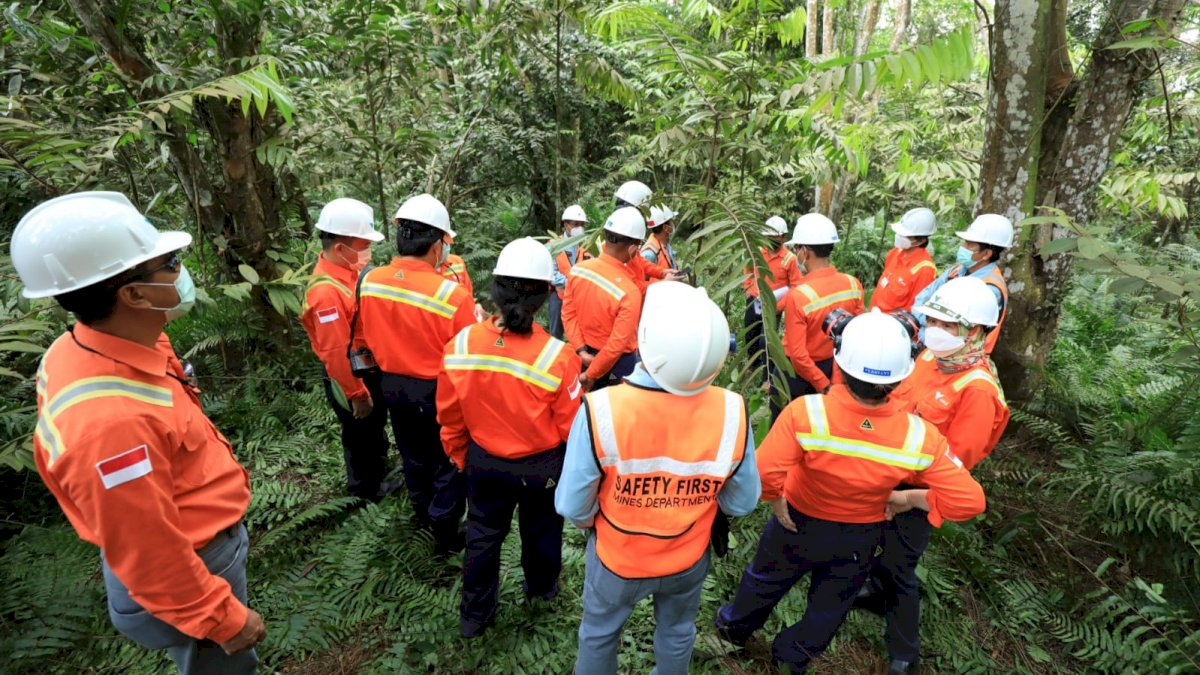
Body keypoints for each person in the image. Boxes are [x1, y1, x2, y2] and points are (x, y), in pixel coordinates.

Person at [13, 192, 265, 674]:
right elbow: (150, 553)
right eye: (170, 263)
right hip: (195, 565)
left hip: (193, 544)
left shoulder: (86, 347)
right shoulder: (110, 428)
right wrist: (224, 619)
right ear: (134, 294)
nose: (180, 271)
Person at [715, 310, 987, 675]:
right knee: (830, 605)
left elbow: (763, 473)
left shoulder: (805, 413)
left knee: (764, 580)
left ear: (840, 364)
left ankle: (731, 633)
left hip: (796, 521)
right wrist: (909, 499)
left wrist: (776, 499)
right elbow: (969, 501)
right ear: (900, 378)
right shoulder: (920, 436)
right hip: (858, 536)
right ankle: (792, 656)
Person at [556, 281, 762, 675]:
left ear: (645, 342)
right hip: (687, 558)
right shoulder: (733, 412)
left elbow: (571, 505)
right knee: (678, 631)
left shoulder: (602, 410)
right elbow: (741, 502)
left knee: (599, 635)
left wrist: (595, 522)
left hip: (618, 559)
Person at [854, 277, 1010, 674]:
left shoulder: (977, 390)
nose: (933, 330)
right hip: (886, 473)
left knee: (900, 568)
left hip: (917, 495)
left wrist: (906, 499)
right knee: (874, 544)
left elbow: (956, 469)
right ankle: (871, 589)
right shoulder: (929, 358)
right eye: (932, 321)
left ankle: (904, 651)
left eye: (945, 323)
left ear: (974, 331)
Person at [437, 237, 584, 638]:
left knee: (483, 537)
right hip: (541, 468)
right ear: (543, 296)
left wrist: (460, 454)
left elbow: (449, 415)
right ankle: (542, 590)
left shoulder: (461, 345)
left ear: (496, 289)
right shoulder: (558, 357)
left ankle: (475, 617)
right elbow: (573, 429)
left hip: (483, 461)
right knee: (542, 531)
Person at [353, 193, 476, 555]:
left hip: (392, 385)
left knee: (413, 453)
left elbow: (363, 333)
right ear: (438, 245)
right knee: (450, 458)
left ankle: (422, 514)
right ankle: (445, 528)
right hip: (439, 389)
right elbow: (468, 355)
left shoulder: (371, 280)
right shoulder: (452, 294)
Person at [300, 198, 394, 501]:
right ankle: (366, 490)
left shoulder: (349, 273)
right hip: (350, 375)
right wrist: (356, 393)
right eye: (363, 244)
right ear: (341, 248)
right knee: (359, 432)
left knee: (372, 427)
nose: (367, 252)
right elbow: (335, 350)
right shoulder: (326, 292)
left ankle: (377, 473)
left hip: (365, 367)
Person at [776, 213, 864, 416]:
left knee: (787, 420)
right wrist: (831, 383)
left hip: (798, 375)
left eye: (796, 248)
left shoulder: (799, 295)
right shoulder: (853, 283)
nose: (794, 252)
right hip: (834, 366)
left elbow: (798, 355)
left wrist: (823, 385)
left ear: (805, 251)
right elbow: (856, 332)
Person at [561, 207, 647, 391]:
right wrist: (591, 375)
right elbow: (616, 345)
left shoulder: (578, 270)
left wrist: (582, 351)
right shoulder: (629, 292)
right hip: (618, 365)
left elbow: (568, 315)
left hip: (582, 355)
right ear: (633, 248)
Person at [912, 213, 1013, 354]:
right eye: (965, 242)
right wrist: (932, 329)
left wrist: (927, 329)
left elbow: (957, 333)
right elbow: (920, 301)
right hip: (933, 349)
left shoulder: (990, 289)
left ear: (986, 254)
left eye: (969, 244)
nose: (963, 247)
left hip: (961, 358)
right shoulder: (956, 271)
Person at [744, 216, 804, 382]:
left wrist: (780, 305)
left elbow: (795, 285)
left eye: (776, 238)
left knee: (767, 340)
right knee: (751, 333)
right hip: (755, 300)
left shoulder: (790, 259)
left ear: (784, 237)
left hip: (774, 305)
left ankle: (766, 377)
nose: (771, 241)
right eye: (769, 238)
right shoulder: (757, 252)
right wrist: (749, 289)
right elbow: (748, 270)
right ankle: (753, 365)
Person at [612, 180, 683, 289]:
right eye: (644, 213)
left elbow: (639, 262)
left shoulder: (626, 243)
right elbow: (631, 288)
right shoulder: (619, 246)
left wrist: (662, 272)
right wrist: (663, 282)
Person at [870, 208, 938, 313]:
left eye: (905, 235)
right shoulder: (895, 253)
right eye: (899, 233)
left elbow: (915, 309)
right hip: (873, 314)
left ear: (921, 240)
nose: (899, 237)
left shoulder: (925, 271)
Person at [550, 205, 591, 340]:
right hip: (559, 296)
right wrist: (571, 283)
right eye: (575, 224)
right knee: (556, 332)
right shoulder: (554, 245)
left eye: (582, 224)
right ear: (566, 225)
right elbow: (552, 273)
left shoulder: (587, 245)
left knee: (581, 332)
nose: (579, 227)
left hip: (581, 297)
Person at [641, 204, 680, 273]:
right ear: (665, 228)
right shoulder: (649, 254)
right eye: (671, 221)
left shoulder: (665, 244)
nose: (673, 223)